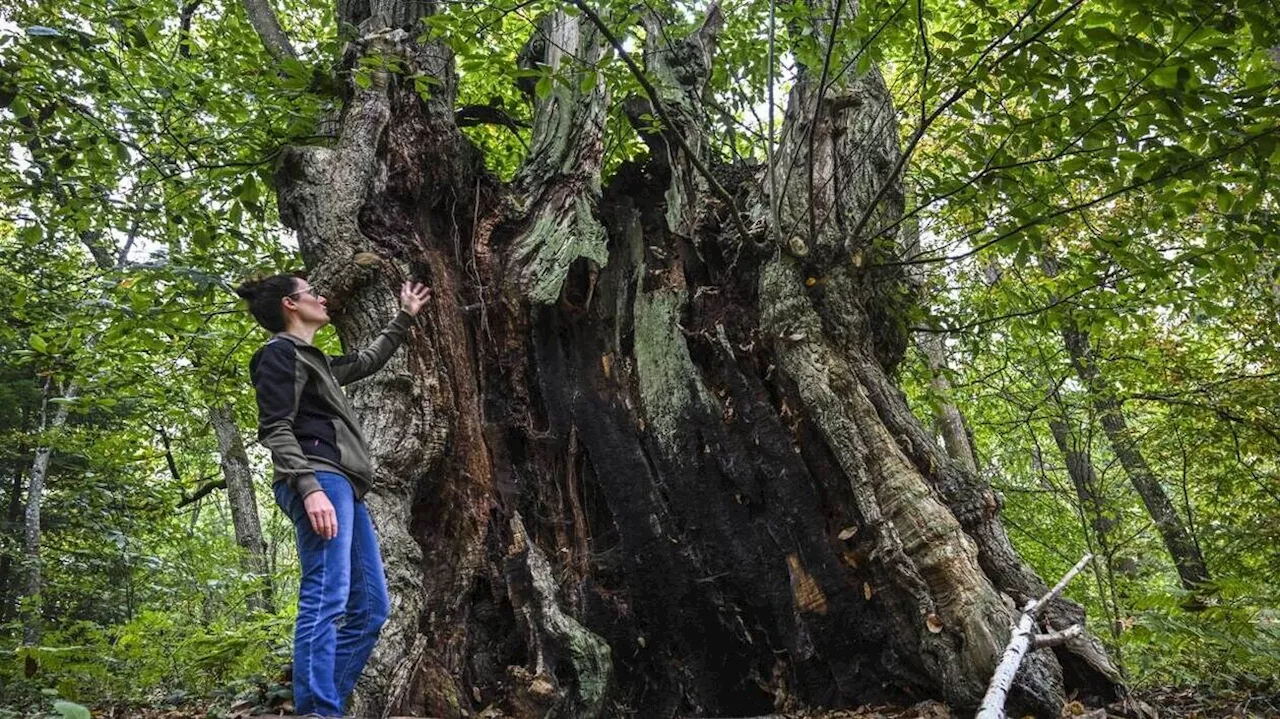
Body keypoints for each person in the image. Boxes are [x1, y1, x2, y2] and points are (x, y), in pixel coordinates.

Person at [234, 272, 431, 719]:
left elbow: (365, 362)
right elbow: (275, 428)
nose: (322, 298)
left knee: (371, 609)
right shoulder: (278, 355)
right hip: (320, 480)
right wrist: (310, 489)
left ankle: (328, 708)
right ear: (290, 304)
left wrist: (403, 317)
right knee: (327, 597)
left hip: (344, 486)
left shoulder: (313, 359)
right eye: (311, 293)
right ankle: (316, 712)